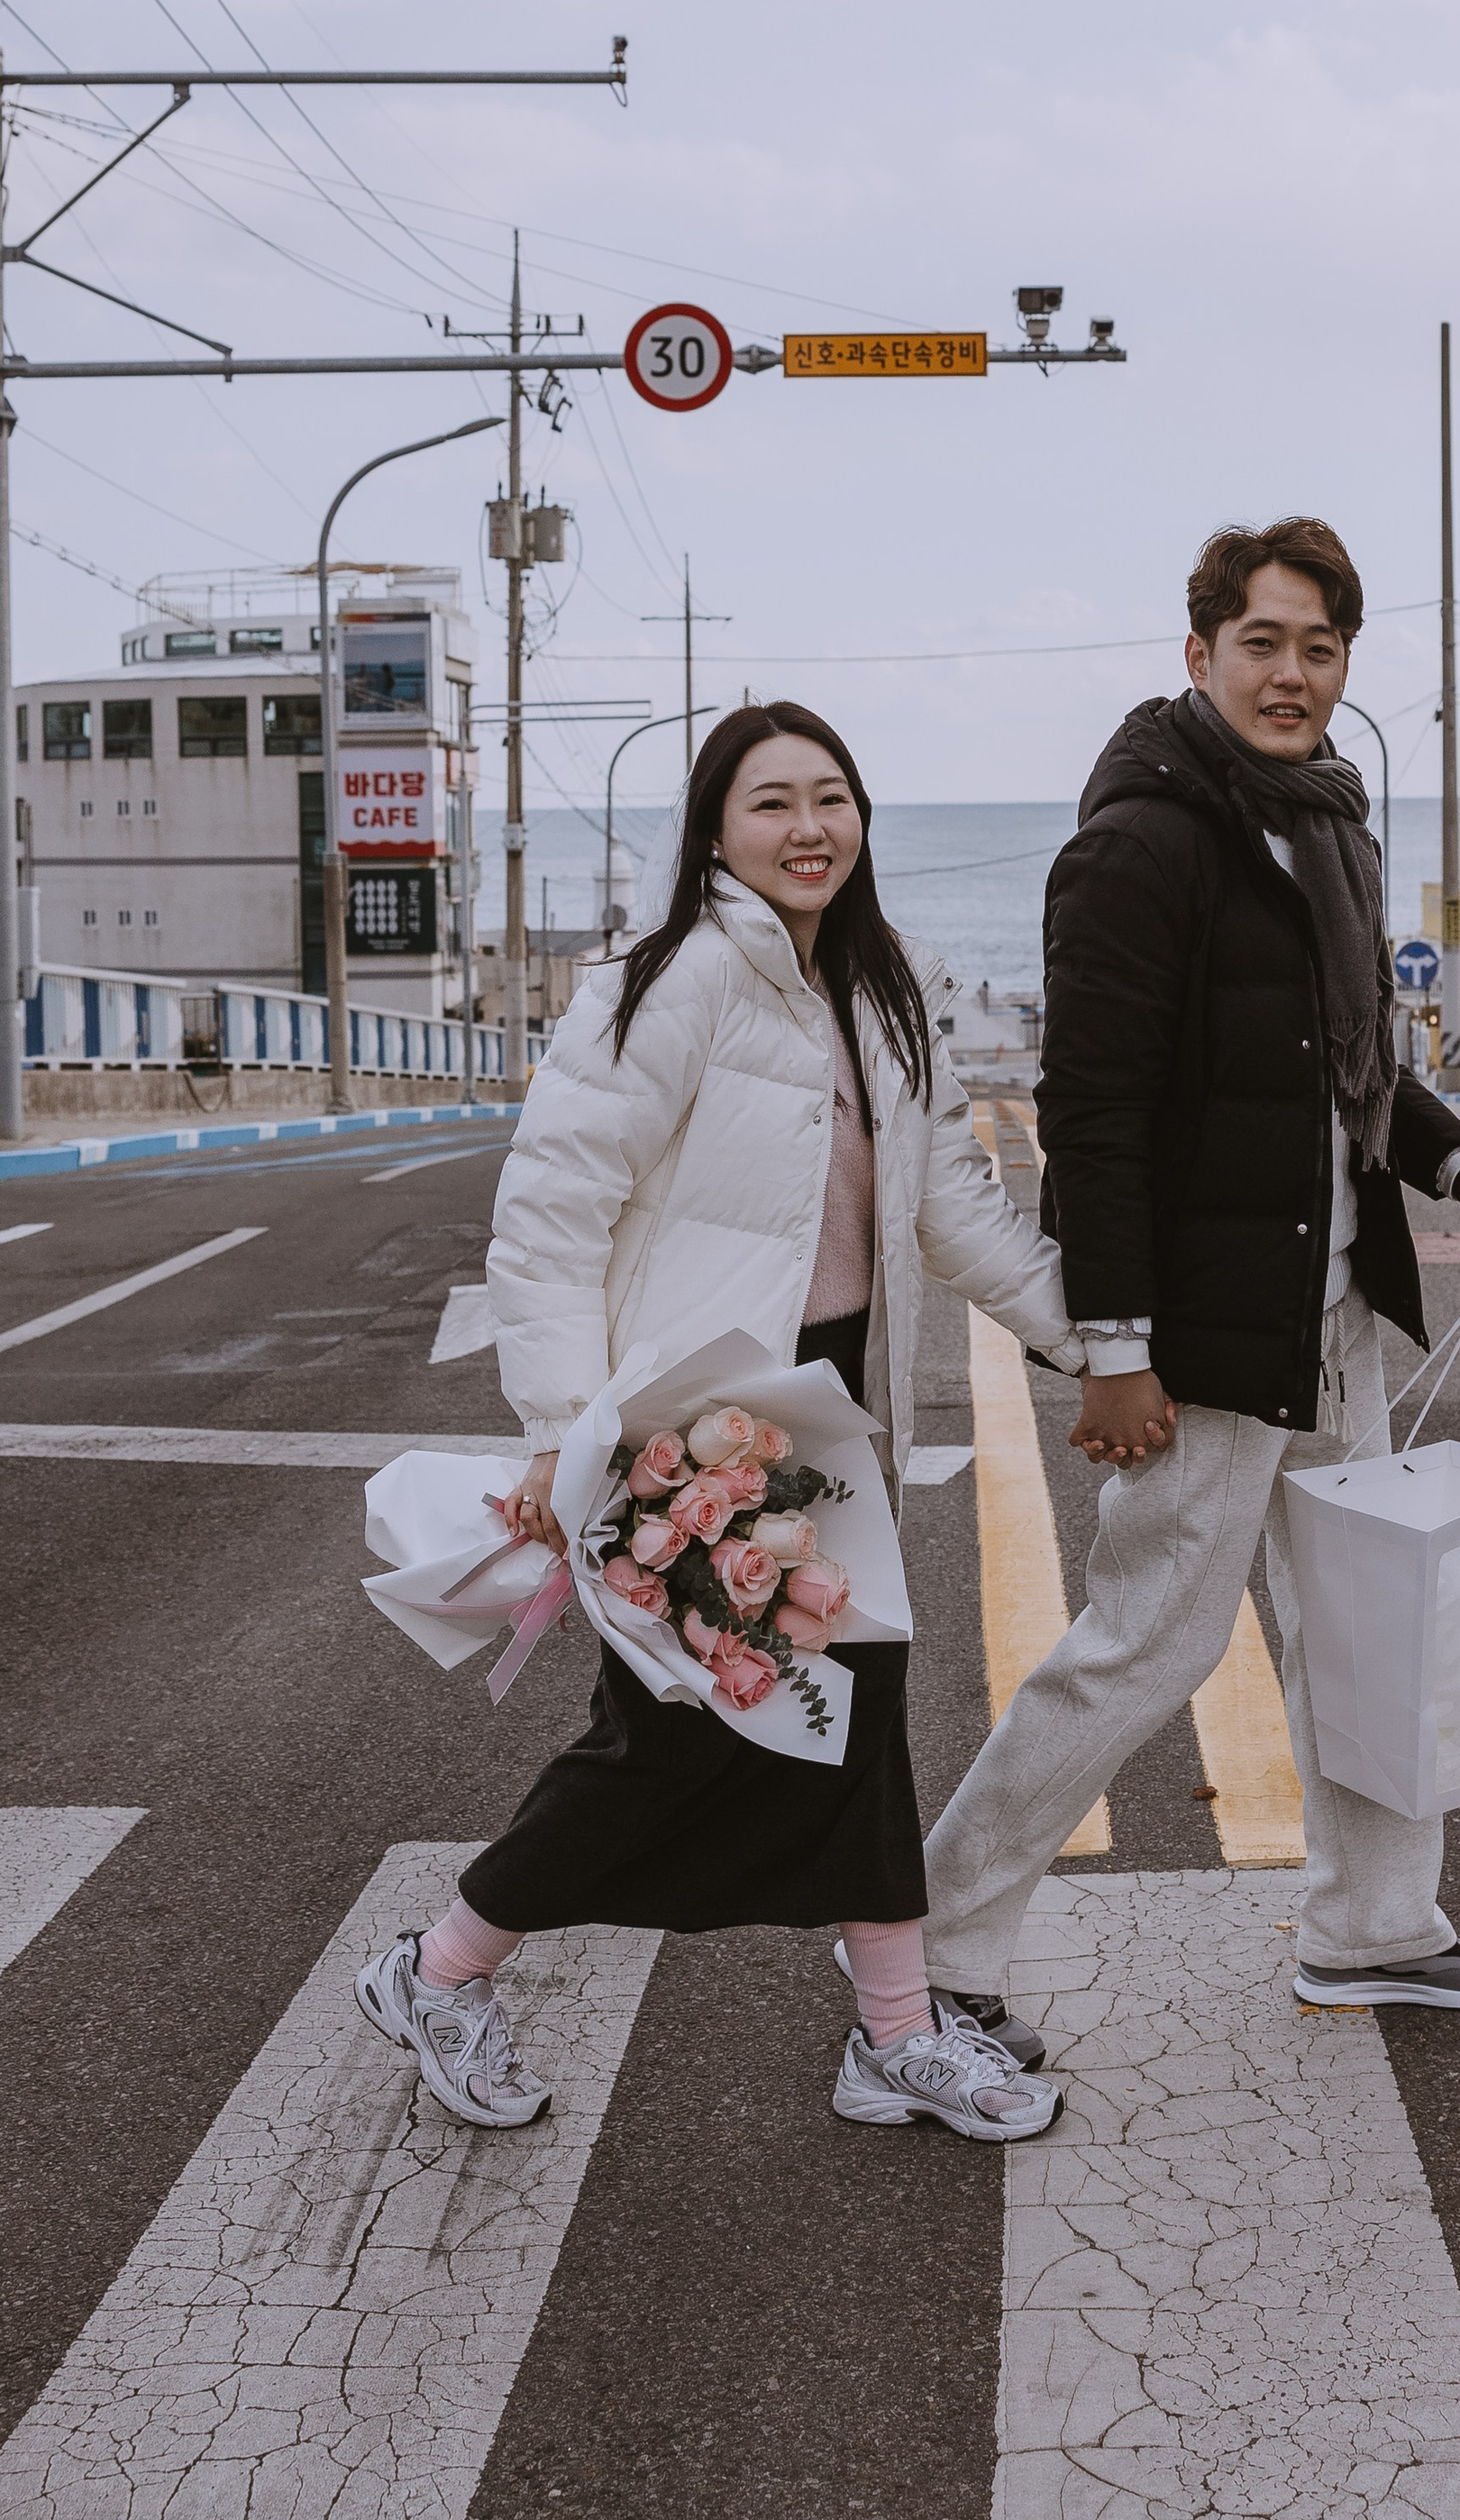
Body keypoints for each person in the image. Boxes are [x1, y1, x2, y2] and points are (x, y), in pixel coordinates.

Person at [355, 702, 1076, 2146]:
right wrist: (571, 1436)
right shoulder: (673, 977)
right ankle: (437, 1969)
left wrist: (1096, 1347)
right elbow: (550, 1219)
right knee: (681, 1736)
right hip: (690, 1426)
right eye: (772, 804)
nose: (809, 828)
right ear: (715, 830)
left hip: (827, 1410)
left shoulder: (883, 992)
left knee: (857, 1710)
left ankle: (893, 2032)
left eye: (833, 799)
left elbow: (950, 1216)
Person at [920, 518, 1460, 2022]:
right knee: (1144, 1646)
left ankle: (1379, 1925)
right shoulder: (1143, 838)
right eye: (1259, 643)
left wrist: (1457, 1165)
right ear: (1198, 653)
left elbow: (1355, 1061)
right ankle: (938, 1939)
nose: (1290, 674)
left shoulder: (1323, 816)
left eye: (1318, 648)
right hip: (1207, 1328)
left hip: (1332, 1312)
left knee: (1366, 1631)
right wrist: (1116, 1346)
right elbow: (1095, 1119)